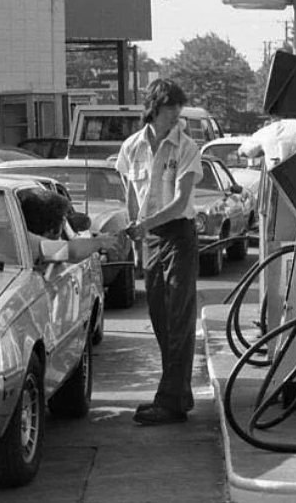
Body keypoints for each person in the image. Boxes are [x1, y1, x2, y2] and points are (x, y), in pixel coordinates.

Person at [115, 78, 203, 426]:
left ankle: (169, 401)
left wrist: (145, 224)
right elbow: (131, 195)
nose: (175, 119)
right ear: (154, 109)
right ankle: (179, 393)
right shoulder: (131, 148)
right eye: (170, 112)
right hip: (149, 237)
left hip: (178, 234)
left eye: (178, 113)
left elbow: (181, 201)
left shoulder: (186, 147)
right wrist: (137, 238)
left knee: (180, 316)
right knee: (160, 317)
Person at [17, 188, 117, 264]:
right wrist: (99, 242)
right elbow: (73, 252)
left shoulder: (11, 237)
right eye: (64, 222)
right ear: (53, 230)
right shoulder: (30, 244)